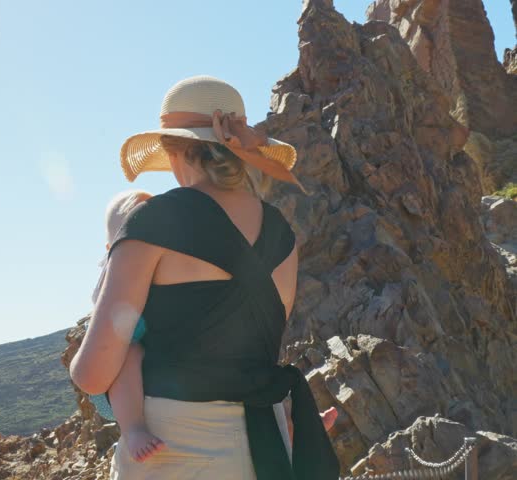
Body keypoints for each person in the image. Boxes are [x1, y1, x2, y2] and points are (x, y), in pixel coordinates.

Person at [70, 76, 340, 479]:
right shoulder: (282, 231)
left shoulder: (155, 221)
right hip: (267, 444)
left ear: (173, 149)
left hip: (172, 453)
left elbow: (92, 374)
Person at [89, 189, 167, 462]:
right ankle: (133, 429)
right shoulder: (111, 273)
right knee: (130, 353)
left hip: (145, 356)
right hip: (113, 380)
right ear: (112, 247)